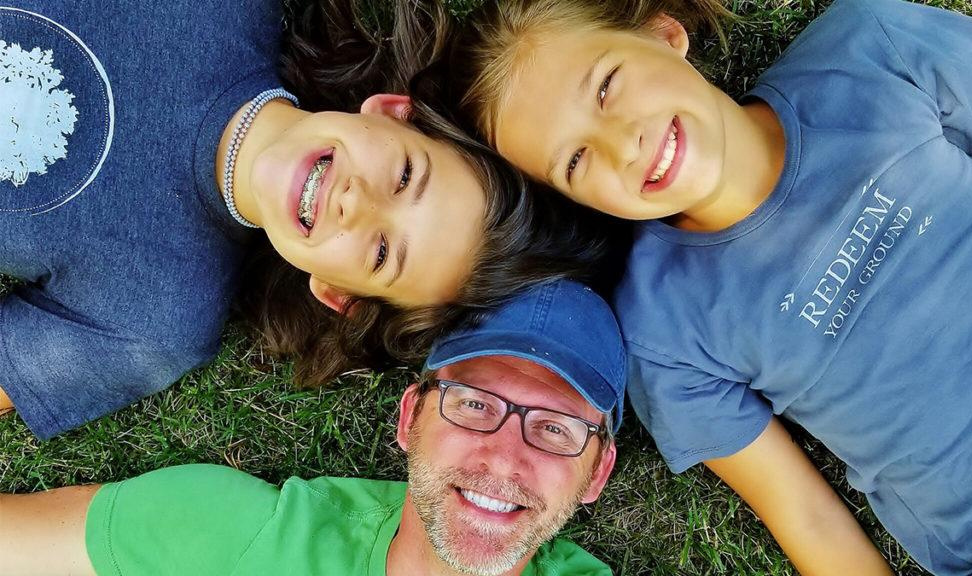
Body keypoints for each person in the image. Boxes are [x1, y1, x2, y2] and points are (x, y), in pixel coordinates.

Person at [415, 0, 972, 574]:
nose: (622, 143)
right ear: (574, 202)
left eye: (606, 87)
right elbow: (803, 513)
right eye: (575, 161)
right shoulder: (660, 331)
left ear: (664, 33)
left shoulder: (869, 51)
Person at [0, 0, 608, 439]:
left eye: (380, 254)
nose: (356, 202)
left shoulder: (155, 322)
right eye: (404, 177)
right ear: (393, 113)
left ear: (336, 293)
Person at [0, 279, 625, 576]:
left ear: (597, 471)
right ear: (410, 417)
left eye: (554, 429)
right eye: (474, 404)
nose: (503, 458)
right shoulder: (238, 537)